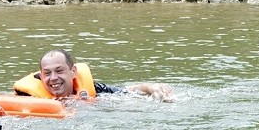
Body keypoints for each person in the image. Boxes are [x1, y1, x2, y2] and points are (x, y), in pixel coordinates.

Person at [13, 49, 174, 102]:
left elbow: (128, 92)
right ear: (40, 76)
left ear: (73, 71)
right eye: (47, 73)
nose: (53, 78)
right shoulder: (28, 97)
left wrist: (149, 87)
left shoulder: (93, 90)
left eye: (59, 71)